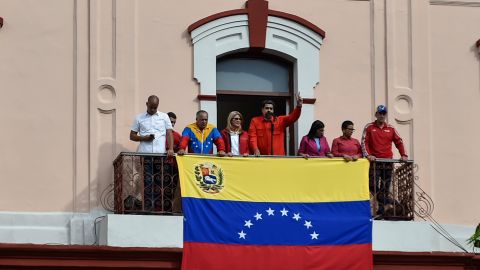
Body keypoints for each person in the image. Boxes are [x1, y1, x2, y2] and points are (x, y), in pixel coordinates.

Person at [361, 105, 408, 217]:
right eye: (380, 113)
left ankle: (381, 211)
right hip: (374, 162)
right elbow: (364, 142)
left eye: (384, 113)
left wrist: (404, 155)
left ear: (385, 115)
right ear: (376, 114)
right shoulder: (369, 127)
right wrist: (368, 155)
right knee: (372, 185)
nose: (382, 115)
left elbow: (399, 142)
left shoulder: (391, 128)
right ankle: (391, 202)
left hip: (388, 162)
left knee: (385, 187)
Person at [129, 95, 174, 211]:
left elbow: (169, 133)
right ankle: (148, 207)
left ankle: (159, 207)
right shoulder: (139, 118)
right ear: (146, 104)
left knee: (160, 181)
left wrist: (171, 148)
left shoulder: (164, 117)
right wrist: (144, 138)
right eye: (151, 107)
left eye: (155, 107)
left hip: (160, 155)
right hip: (145, 155)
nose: (153, 109)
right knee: (147, 181)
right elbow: (132, 136)